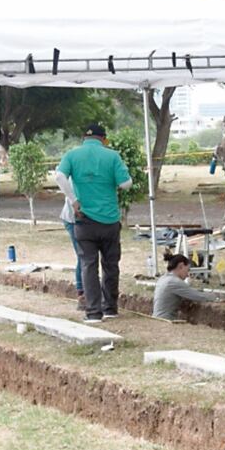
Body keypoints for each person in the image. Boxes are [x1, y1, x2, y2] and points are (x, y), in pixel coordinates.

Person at [54, 124, 132, 324]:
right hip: (109, 220)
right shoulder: (112, 156)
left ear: (84, 138)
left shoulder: (72, 155)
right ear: (103, 139)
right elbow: (126, 184)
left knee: (88, 265)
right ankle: (110, 309)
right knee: (111, 265)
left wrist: (73, 200)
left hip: (84, 219)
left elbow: (59, 176)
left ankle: (93, 313)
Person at [153, 253, 218, 321]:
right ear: (181, 266)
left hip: (157, 320)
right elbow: (199, 296)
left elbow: (188, 291)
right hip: (166, 321)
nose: (187, 275)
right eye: (187, 270)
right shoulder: (174, 281)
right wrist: (216, 297)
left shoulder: (162, 279)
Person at [60, 192, 85, 309]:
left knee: (86, 255)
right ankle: (82, 294)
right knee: (83, 255)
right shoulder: (73, 183)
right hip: (73, 220)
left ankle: (87, 290)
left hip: (84, 220)